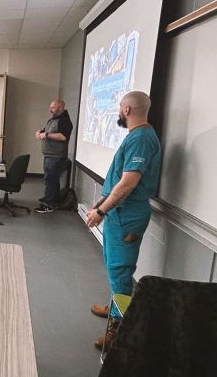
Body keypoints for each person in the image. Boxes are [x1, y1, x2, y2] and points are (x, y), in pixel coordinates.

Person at [86, 91, 161, 350]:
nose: (118, 111)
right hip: (119, 212)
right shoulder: (137, 136)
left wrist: (101, 211)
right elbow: (119, 178)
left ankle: (119, 328)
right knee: (114, 267)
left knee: (120, 271)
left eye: (119, 107)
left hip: (127, 215)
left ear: (126, 109)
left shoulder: (140, 138)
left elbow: (128, 182)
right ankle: (116, 306)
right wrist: (102, 202)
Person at [35, 100, 74, 213]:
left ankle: (48, 204)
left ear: (60, 108)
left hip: (56, 156)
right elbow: (45, 132)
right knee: (52, 180)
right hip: (49, 155)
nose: (50, 110)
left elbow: (63, 137)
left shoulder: (64, 121)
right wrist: (39, 133)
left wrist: (46, 135)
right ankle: (52, 199)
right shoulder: (52, 120)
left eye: (52, 108)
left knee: (50, 180)